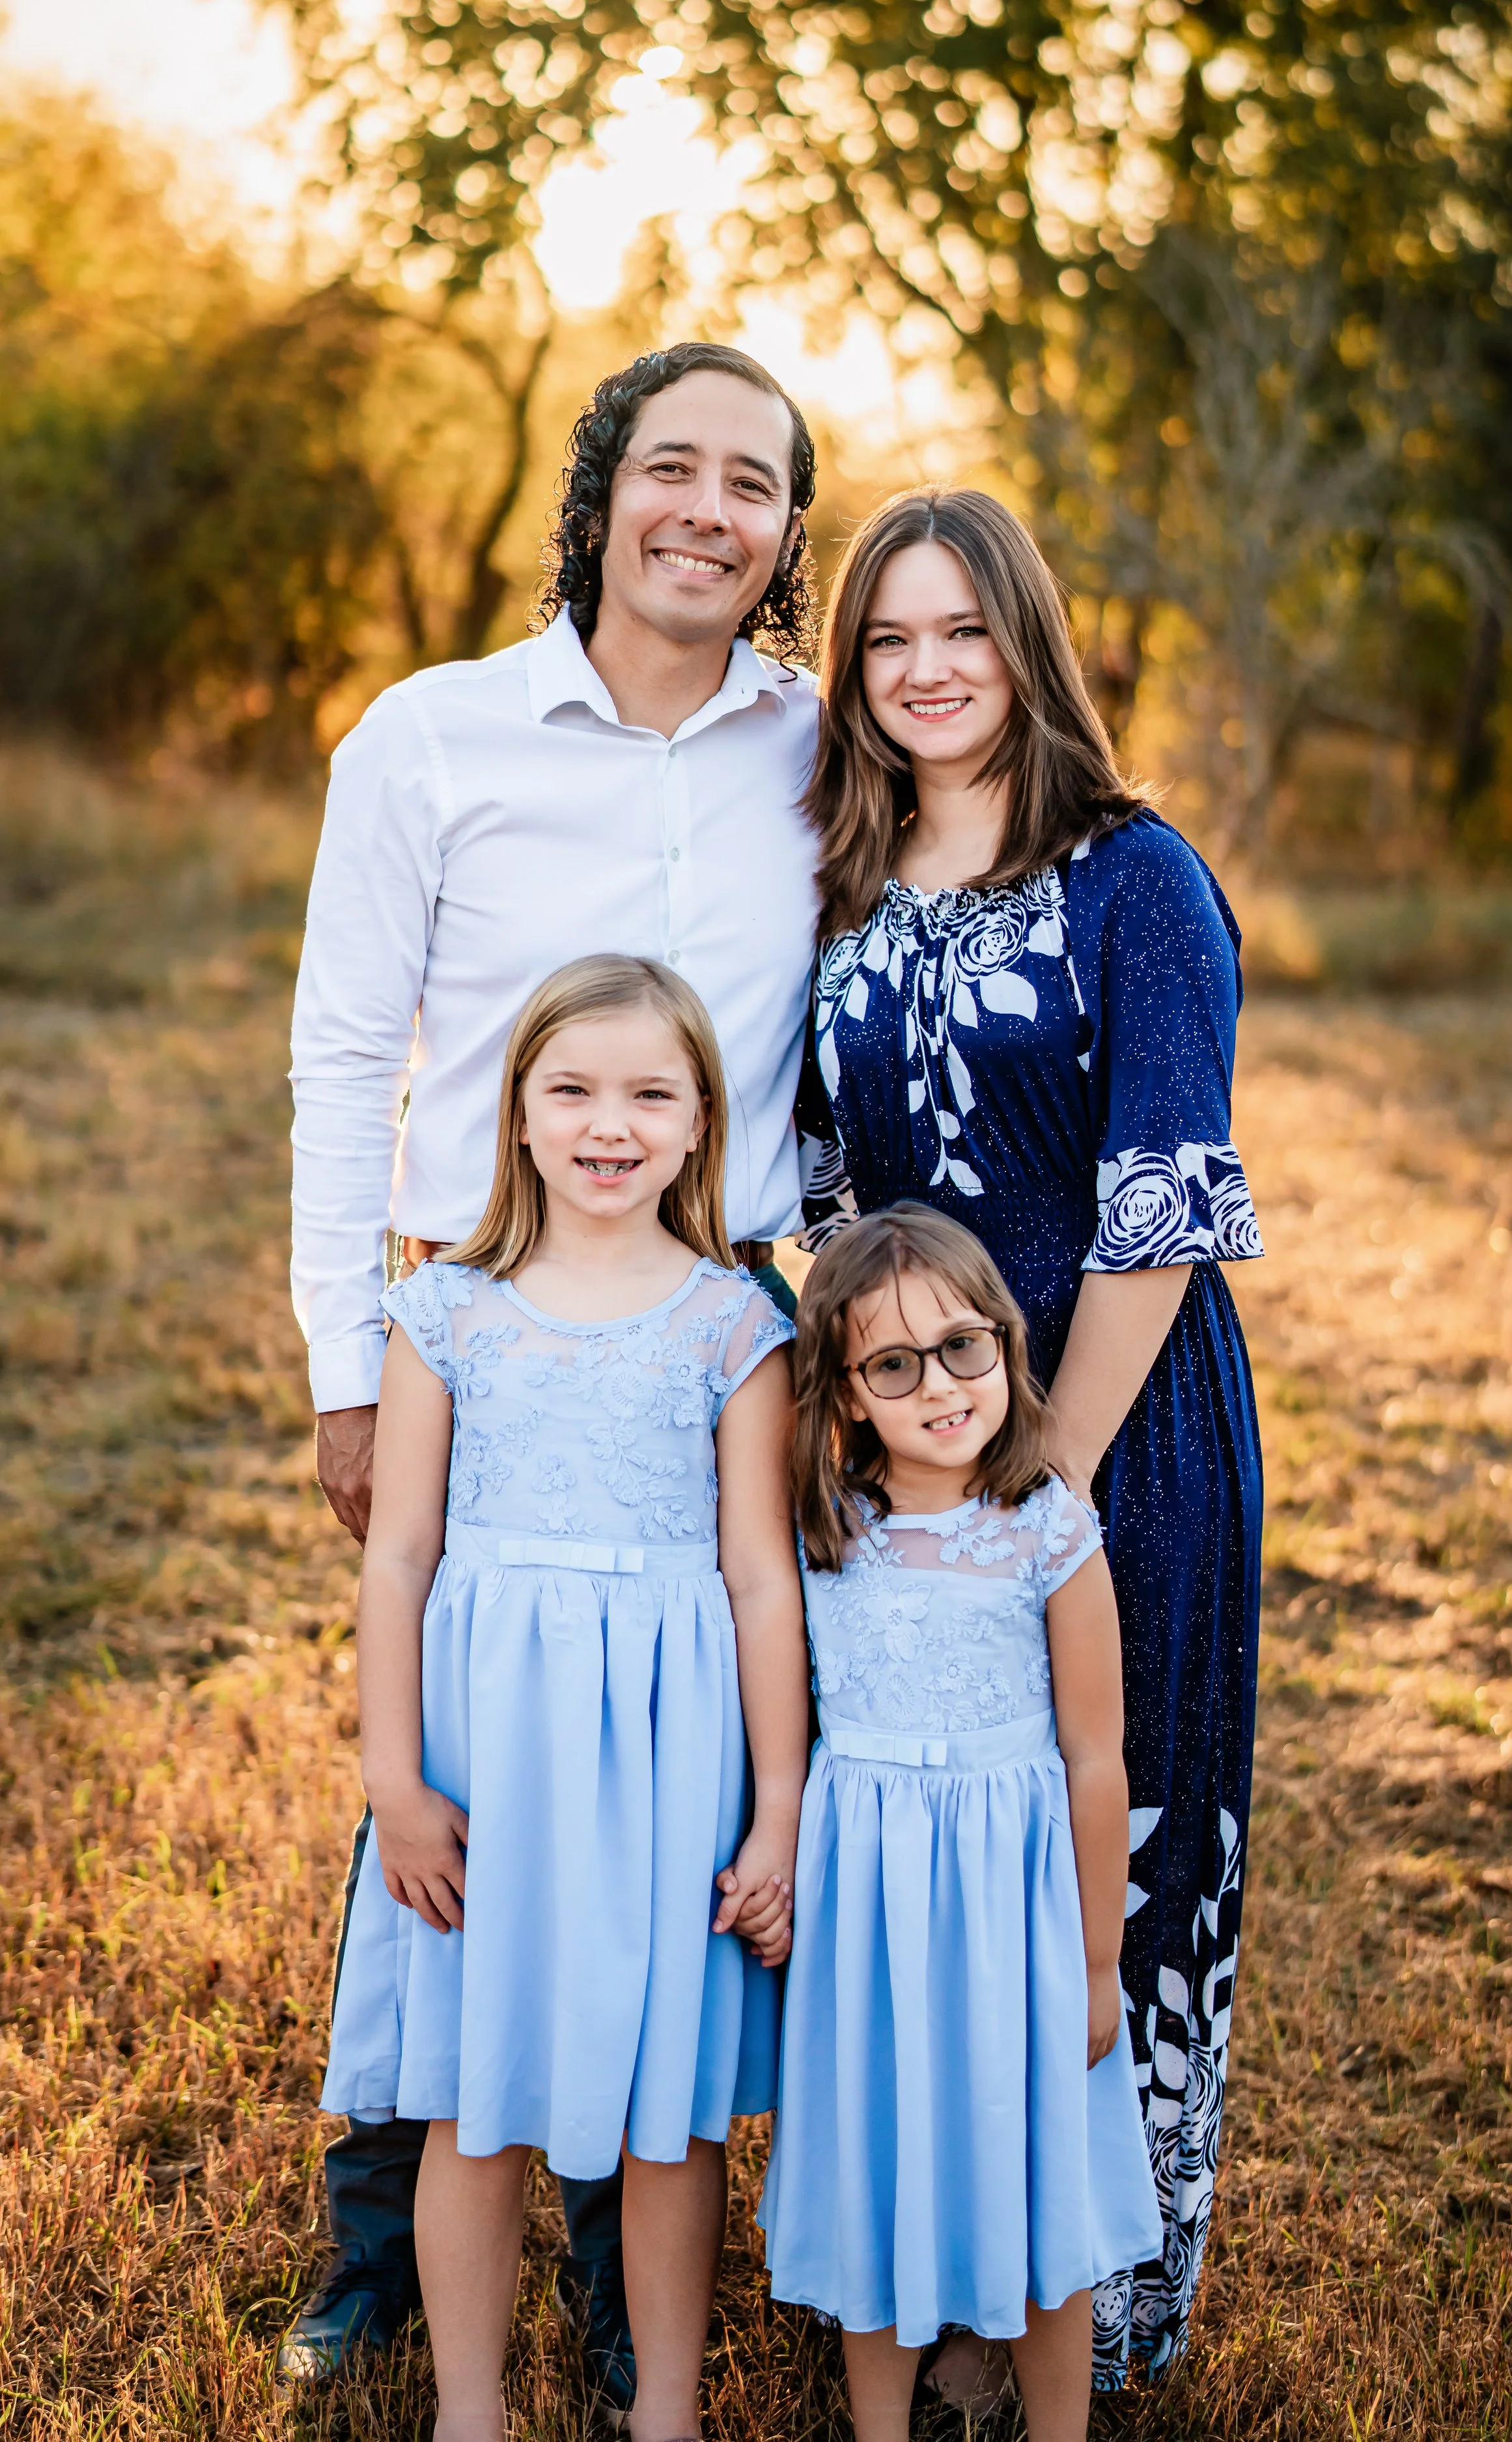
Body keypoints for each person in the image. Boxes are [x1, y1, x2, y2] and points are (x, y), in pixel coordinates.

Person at [284, 341, 822, 2394]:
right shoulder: (434, 736)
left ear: (784, 535)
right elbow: (344, 1055)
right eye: (666, 466)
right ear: (597, 495)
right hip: (481, 1285)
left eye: (751, 482)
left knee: (671, 1763)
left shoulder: (817, 747)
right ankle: (378, 2237)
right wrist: (350, 1349)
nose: (705, 507)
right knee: (457, 1767)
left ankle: (630, 2274)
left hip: (724, 1291)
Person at [796, 490, 1264, 2387]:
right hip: (901, 1436)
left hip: (1112, 1430)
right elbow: (826, 1189)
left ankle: (1092, 2293)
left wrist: (1044, 1464)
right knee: (938, 1825)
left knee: (1111, 1821)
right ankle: (938, 2274)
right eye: (887, 640)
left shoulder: (1133, 875)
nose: (925, 671)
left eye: (960, 632)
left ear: (1025, 641)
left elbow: (1163, 1195)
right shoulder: (838, 875)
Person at [322, 953, 808, 2442]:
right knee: (473, 2095)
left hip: (672, 1766)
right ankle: (471, 2411)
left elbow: (760, 1583)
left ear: (700, 1122)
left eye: (650, 1092)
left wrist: (776, 1807)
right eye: (573, 1089)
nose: (611, 1123)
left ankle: (661, 2411)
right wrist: (394, 1782)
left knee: (667, 2107)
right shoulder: (447, 1311)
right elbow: (398, 1559)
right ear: (514, 1114)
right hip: (489, 1765)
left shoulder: (735, 1323)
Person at [760, 1203, 1161, 2440]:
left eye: (963, 1347)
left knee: (1039, 2179)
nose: (940, 1384)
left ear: (1007, 1345)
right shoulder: (827, 1531)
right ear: (844, 1390)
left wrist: (1097, 1958)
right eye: (894, 1362)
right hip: (873, 1913)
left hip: (1017, 1902)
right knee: (879, 2167)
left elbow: (1098, 1757)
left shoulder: (1047, 1522)